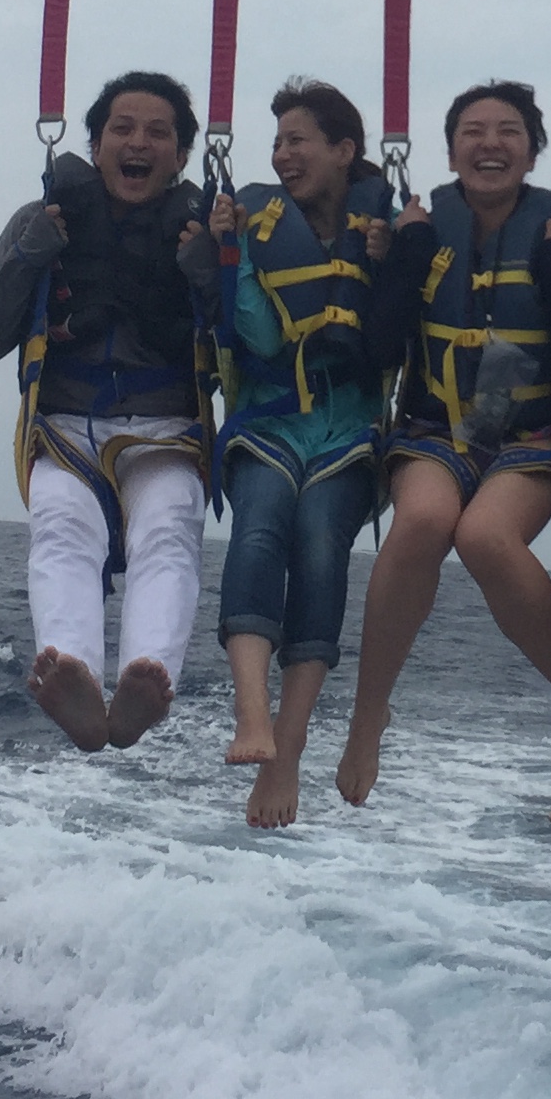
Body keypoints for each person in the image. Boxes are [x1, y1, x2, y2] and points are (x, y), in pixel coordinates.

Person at [335, 78, 551, 805]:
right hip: (434, 429)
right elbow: (379, 346)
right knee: (423, 520)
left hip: (531, 438)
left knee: (486, 537)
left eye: (509, 131)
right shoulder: (423, 226)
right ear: (451, 151)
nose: (491, 144)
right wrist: (408, 255)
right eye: (473, 132)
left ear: (534, 151)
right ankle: (368, 716)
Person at [0, 69, 214, 754]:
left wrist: (212, 273)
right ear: (95, 144)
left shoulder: (204, 232)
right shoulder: (43, 218)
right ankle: (71, 669)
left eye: (157, 133)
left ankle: (147, 677)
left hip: (165, 432)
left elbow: (248, 349)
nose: (138, 143)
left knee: (168, 528)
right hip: (64, 429)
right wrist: (27, 256)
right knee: (62, 529)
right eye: (122, 129)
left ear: (182, 155)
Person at [201, 78, 396, 828]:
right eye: (277, 141)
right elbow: (256, 336)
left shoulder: (383, 226)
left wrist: (390, 262)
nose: (283, 154)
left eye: (298, 140)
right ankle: (252, 713)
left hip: (349, 428)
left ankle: (291, 738)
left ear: (343, 150)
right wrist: (234, 250)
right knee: (259, 527)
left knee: (320, 541)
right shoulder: (256, 221)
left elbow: (395, 333)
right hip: (270, 418)